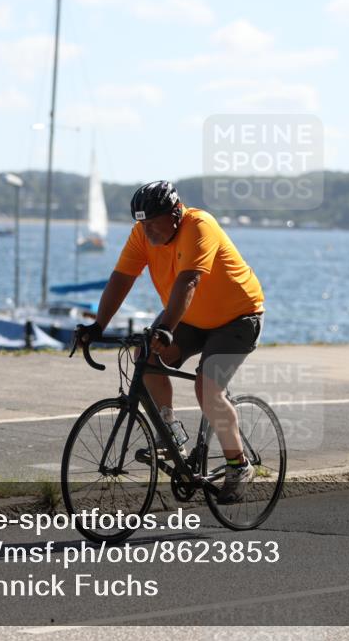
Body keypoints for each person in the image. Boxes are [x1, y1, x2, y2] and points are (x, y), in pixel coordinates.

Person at [74, 181, 264, 504]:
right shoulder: (142, 235)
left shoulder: (199, 226)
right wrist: (98, 325)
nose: (147, 231)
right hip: (192, 318)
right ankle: (170, 435)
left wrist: (166, 328)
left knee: (207, 388)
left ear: (176, 214)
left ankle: (239, 465)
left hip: (239, 317)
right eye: (141, 223)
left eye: (153, 222)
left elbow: (189, 280)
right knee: (146, 358)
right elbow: (121, 279)